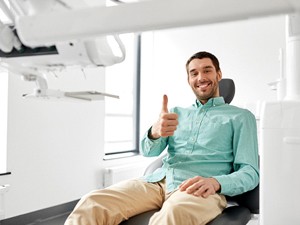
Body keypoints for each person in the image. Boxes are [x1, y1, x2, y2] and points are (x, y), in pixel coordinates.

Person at [64, 51, 259, 225]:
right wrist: (154, 132)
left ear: (219, 74)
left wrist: (216, 182)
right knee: (93, 202)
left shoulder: (240, 117)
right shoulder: (175, 113)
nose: (201, 77)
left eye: (207, 70)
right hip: (157, 182)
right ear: (189, 79)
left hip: (199, 189)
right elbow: (149, 151)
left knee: (172, 215)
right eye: (194, 73)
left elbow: (250, 172)